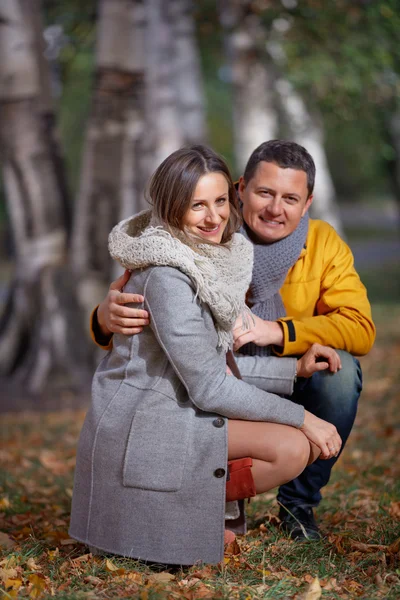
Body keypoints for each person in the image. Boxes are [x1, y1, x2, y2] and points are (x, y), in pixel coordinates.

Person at [69, 145, 342, 566]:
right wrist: (306, 416)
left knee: (292, 446)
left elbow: (213, 365)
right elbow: (211, 386)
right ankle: (176, 517)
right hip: (150, 422)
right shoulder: (168, 275)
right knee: (291, 445)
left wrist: (294, 369)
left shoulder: (207, 262)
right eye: (197, 205)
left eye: (218, 202)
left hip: (175, 408)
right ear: (170, 207)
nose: (213, 218)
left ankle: (187, 513)